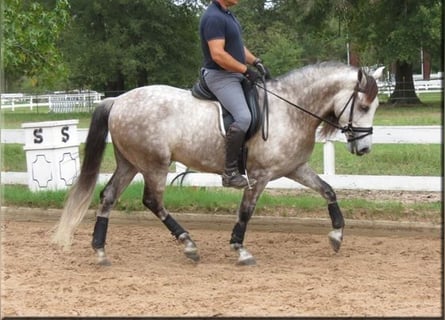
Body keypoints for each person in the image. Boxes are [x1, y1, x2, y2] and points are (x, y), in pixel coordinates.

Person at [199, 0, 267, 189]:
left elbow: (236, 47)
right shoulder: (213, 17)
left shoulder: (227, 14)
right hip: (221, 76)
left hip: (234, 73)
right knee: (244, 117)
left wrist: (256, 61)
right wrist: (245, 71)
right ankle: (229, 173)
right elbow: (218, 55)